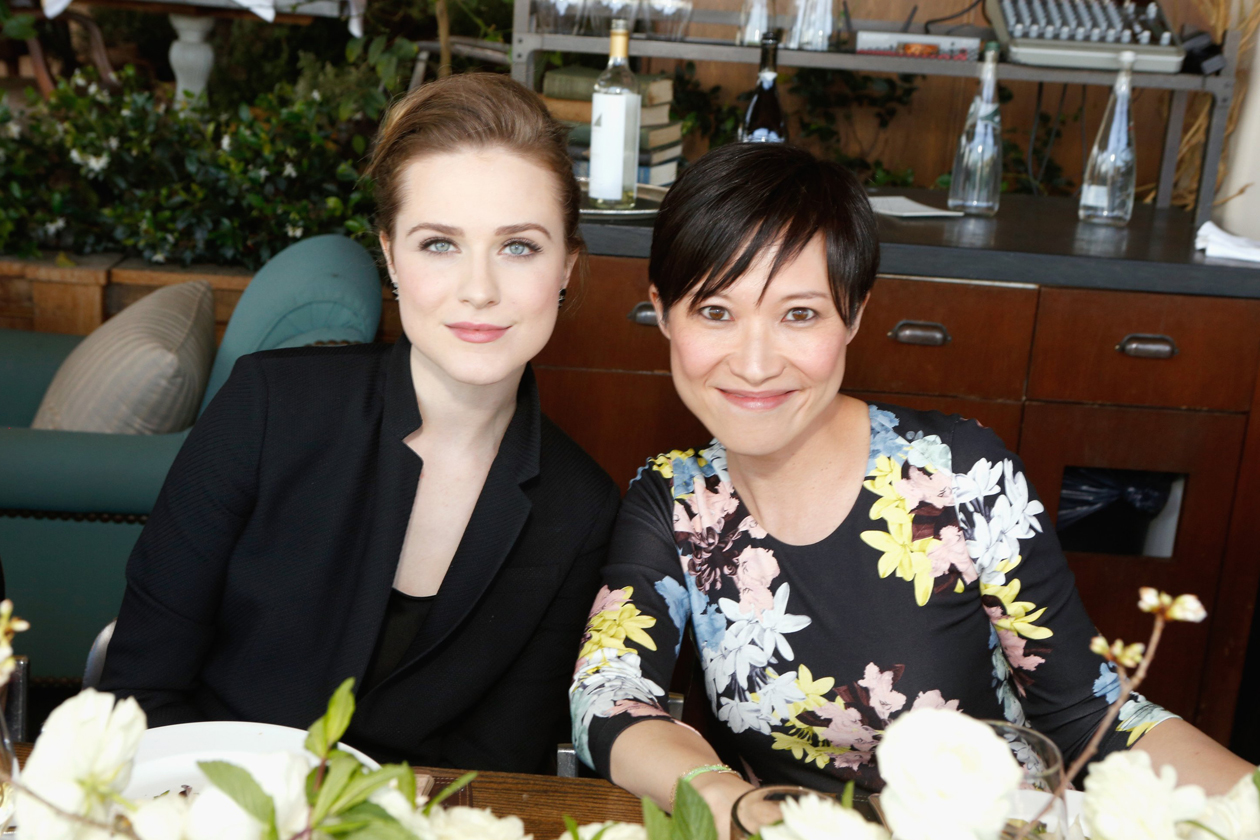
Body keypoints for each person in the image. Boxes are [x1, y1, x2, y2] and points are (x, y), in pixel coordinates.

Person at [568, 142, 1254, 827]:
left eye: (799, 314)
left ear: (855, 315)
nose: (753, 362)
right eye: (715, 311)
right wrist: (725, 797)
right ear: (662, 311)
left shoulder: (959, 476)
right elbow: (609, 694)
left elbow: (1092, 716)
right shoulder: (675, 501)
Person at [99, 73, 621, 773]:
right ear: (391, 257)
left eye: (518, 246)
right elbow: (138, 694)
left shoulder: (581, 508)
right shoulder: (266, 410)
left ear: (566, 267)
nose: (479, 288)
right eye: (439, 243)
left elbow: (503, 772)